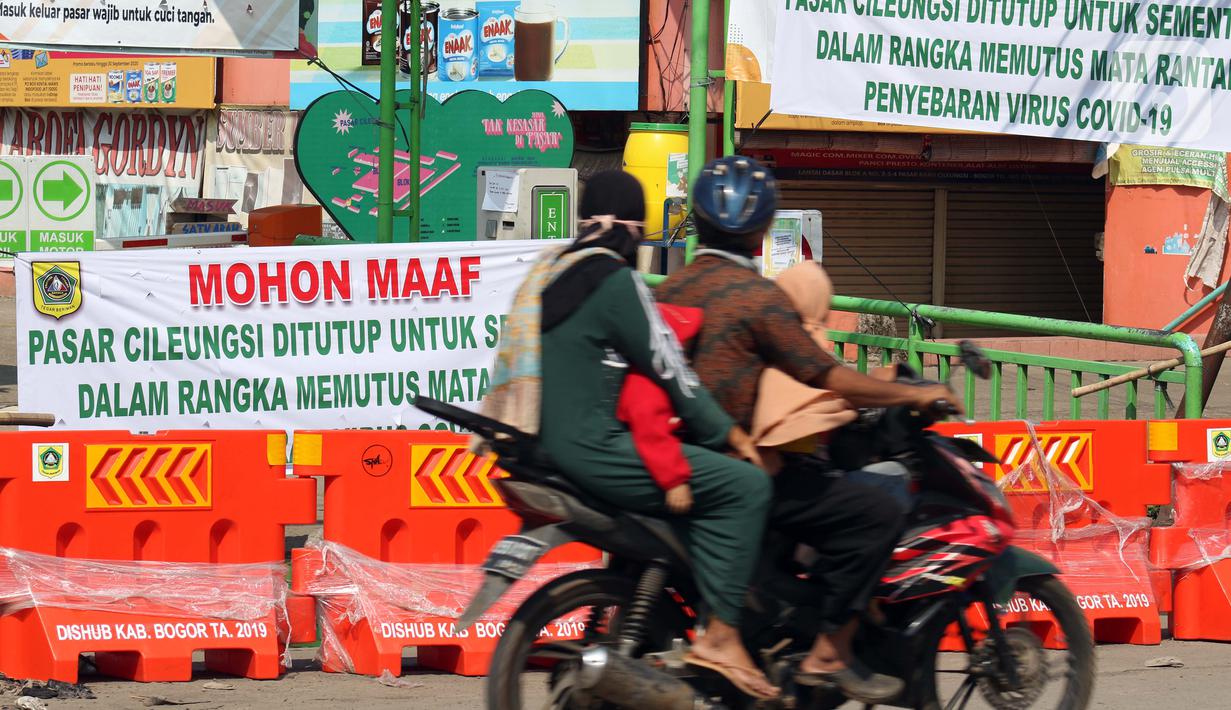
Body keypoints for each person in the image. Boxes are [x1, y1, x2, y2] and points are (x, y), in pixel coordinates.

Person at [658, 156, 961, 704]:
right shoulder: (758, 299)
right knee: (877, 512)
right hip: (737, 474)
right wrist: (914, 393)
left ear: (696, 221)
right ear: (762, 230)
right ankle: (827, 655)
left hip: (673, 464)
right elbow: (829, 377)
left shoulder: (670, 288)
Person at [479, 170, 779, 699]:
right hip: (596, 450)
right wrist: (728, 433)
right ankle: (723, 637)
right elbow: (669, 369)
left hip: (551, 447)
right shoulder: (615, 281)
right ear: (635, 227)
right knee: (746, 486)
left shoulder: (554, 272)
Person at [616, 303, 707, 514]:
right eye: (683, 346)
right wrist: (675, 481)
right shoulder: (645, 384)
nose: (687, 355)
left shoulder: (650, 376)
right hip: (653, 471)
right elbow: (651, 433)